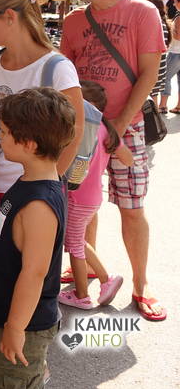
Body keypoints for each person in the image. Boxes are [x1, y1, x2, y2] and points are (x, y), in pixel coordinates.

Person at [0, 0, 84, 350]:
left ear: (9, 16)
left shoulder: (56, 68)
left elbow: (74, 132)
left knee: (27, 269)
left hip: (28, 192)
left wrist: (48, 184)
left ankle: (26, 345)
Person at [60, 0, 167, 322]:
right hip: (83, 128)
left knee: (131, 207)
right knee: (82, 202)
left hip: (129, 125)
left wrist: (119, 125)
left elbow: (150, 74)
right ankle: (85, 266)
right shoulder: (73, 20)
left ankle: (141, 283)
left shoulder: (142, 12)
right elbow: (67, 74)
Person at [0, 88, 74, 389]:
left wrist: (16, 328)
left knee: (13, 381)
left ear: (29, 144)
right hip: (2, 315)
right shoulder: (30, 179)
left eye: (5, 132)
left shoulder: (39, 205)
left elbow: (34, 273)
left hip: (22, 325)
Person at [58, 81, 132, 310]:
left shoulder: (80, 132)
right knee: (77, 241)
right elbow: (128, 159)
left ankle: (83, 294)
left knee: (74, 245)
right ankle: (105, 279)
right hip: (92, 198)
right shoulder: (106, 130)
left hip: (77, 197)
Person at [143, 0, 169, 105]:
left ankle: (154, 115)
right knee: (153, 96)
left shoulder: (156, 23)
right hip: (158, 67)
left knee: (150, 98)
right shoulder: (161, 22)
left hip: (154, 68)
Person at [159, 0, 180, 114]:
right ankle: (178, 106)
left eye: (175, 2)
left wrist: (171, 29)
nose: (174, 4)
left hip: (176, 52)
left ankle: (163, 105)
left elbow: (178, 37)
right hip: (177, 52)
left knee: (165, 77)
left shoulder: (179, 17)